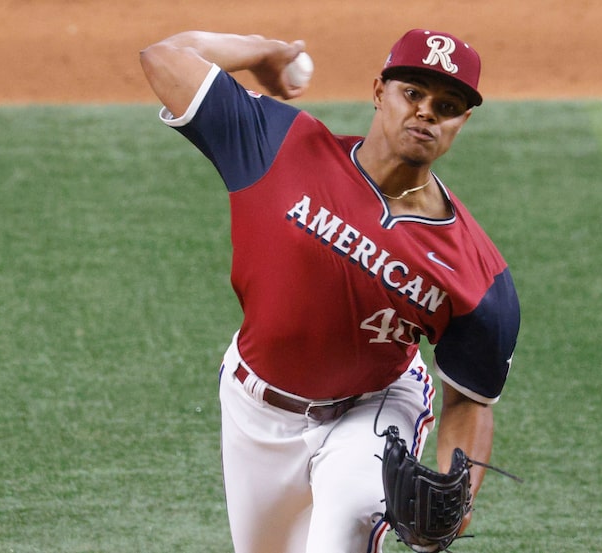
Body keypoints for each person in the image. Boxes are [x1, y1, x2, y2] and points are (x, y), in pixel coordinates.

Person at [140, 28, 521, 553]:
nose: (427, 112)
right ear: (378, 91)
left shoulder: (476, 273)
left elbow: (469, 401)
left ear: (462, 122)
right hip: (254, 408)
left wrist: (459, 507)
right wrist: (266, 51)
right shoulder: (279, 146)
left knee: (347, 524)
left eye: (447, 105)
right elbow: (165, 58)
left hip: (373, 408)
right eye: (412, 93)